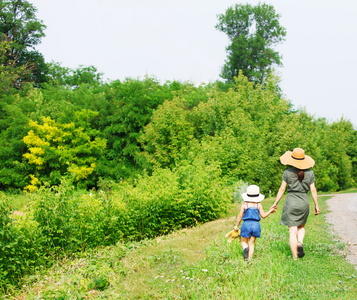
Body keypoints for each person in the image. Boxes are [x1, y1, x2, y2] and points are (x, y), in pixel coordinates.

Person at [271, 148, 319, 260]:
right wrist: (316, 205)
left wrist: (275, 203)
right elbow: (313, 190)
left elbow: (282, 189)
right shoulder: (310, 173)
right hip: (304, 202)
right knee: (301, 226)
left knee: (292, 231)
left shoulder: (287, 172)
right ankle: (300, 242)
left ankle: (295, 258)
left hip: (291, 202)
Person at [234, 185, 276, 260]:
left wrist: (236, 225)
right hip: (256, 225)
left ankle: (245, 249)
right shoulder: (258, 205)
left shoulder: (244, 204)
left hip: (246, 224)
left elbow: (240, 216)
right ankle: (250, 259)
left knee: (244, 242)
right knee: (252, 243)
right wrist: (270, 211)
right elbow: (263, 215)